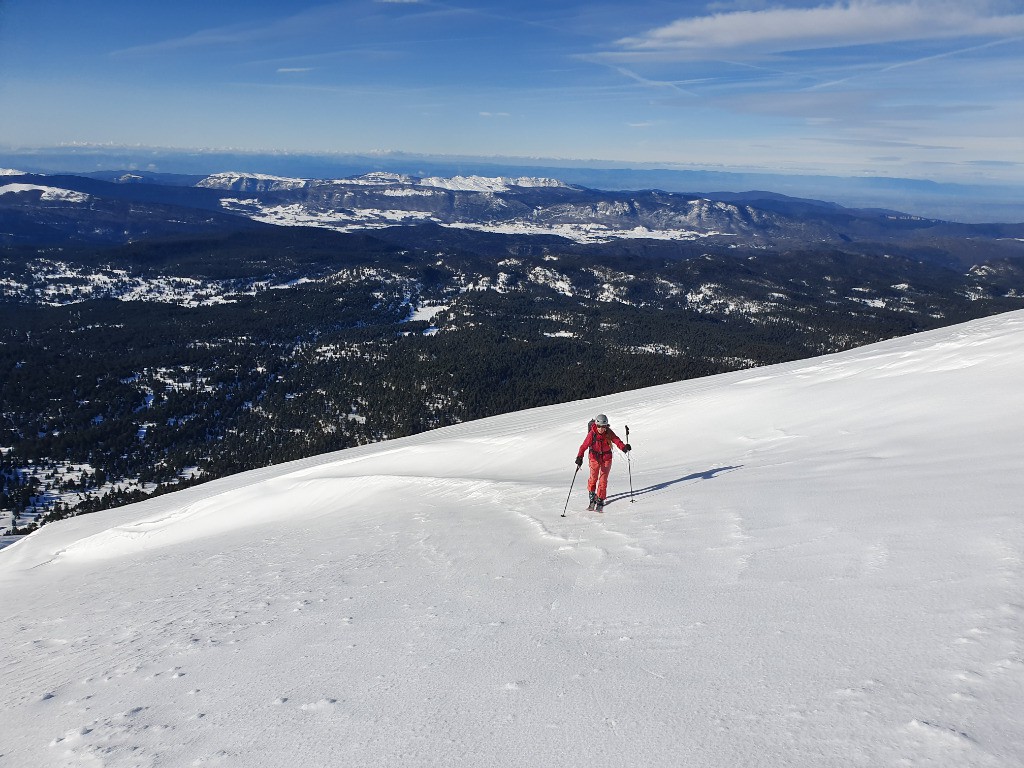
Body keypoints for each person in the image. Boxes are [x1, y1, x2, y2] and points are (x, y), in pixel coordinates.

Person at [575, 414, 630, 511]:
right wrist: (580, 456)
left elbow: (617, 440)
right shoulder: (592, 434)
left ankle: (600, 499)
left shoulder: (609, 432)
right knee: (593, 478)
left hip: (606, 458)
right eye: (599, 426)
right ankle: (592, 498)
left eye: (603, 426)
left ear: (606, 426)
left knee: (603, 480)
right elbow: (583, 446)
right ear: (596, 425)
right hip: (594, 458)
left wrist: (624, 447)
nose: (601, 429)